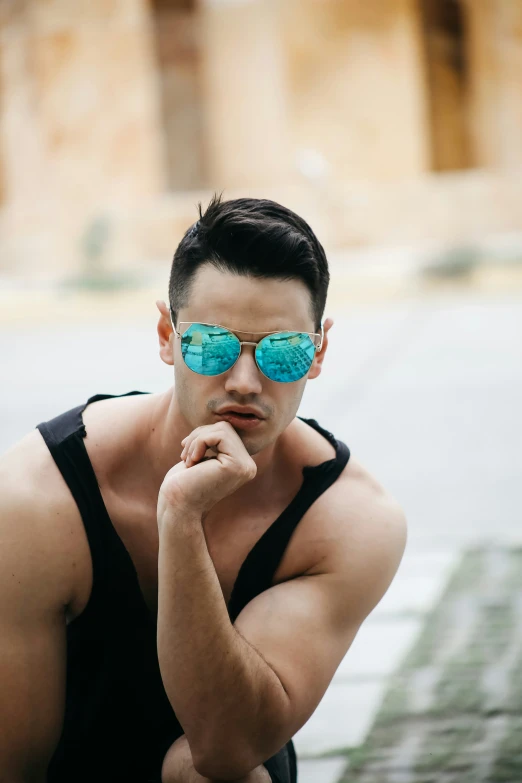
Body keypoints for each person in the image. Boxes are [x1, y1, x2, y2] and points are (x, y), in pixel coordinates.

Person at [0, 195, 407, 783]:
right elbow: (15, 765)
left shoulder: (349, 519)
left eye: (283, 352)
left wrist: (181, 520)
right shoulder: (36, 498)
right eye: (211, 345)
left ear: (317, 352)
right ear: (167, 335)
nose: (244, 382)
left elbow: (225, 747)